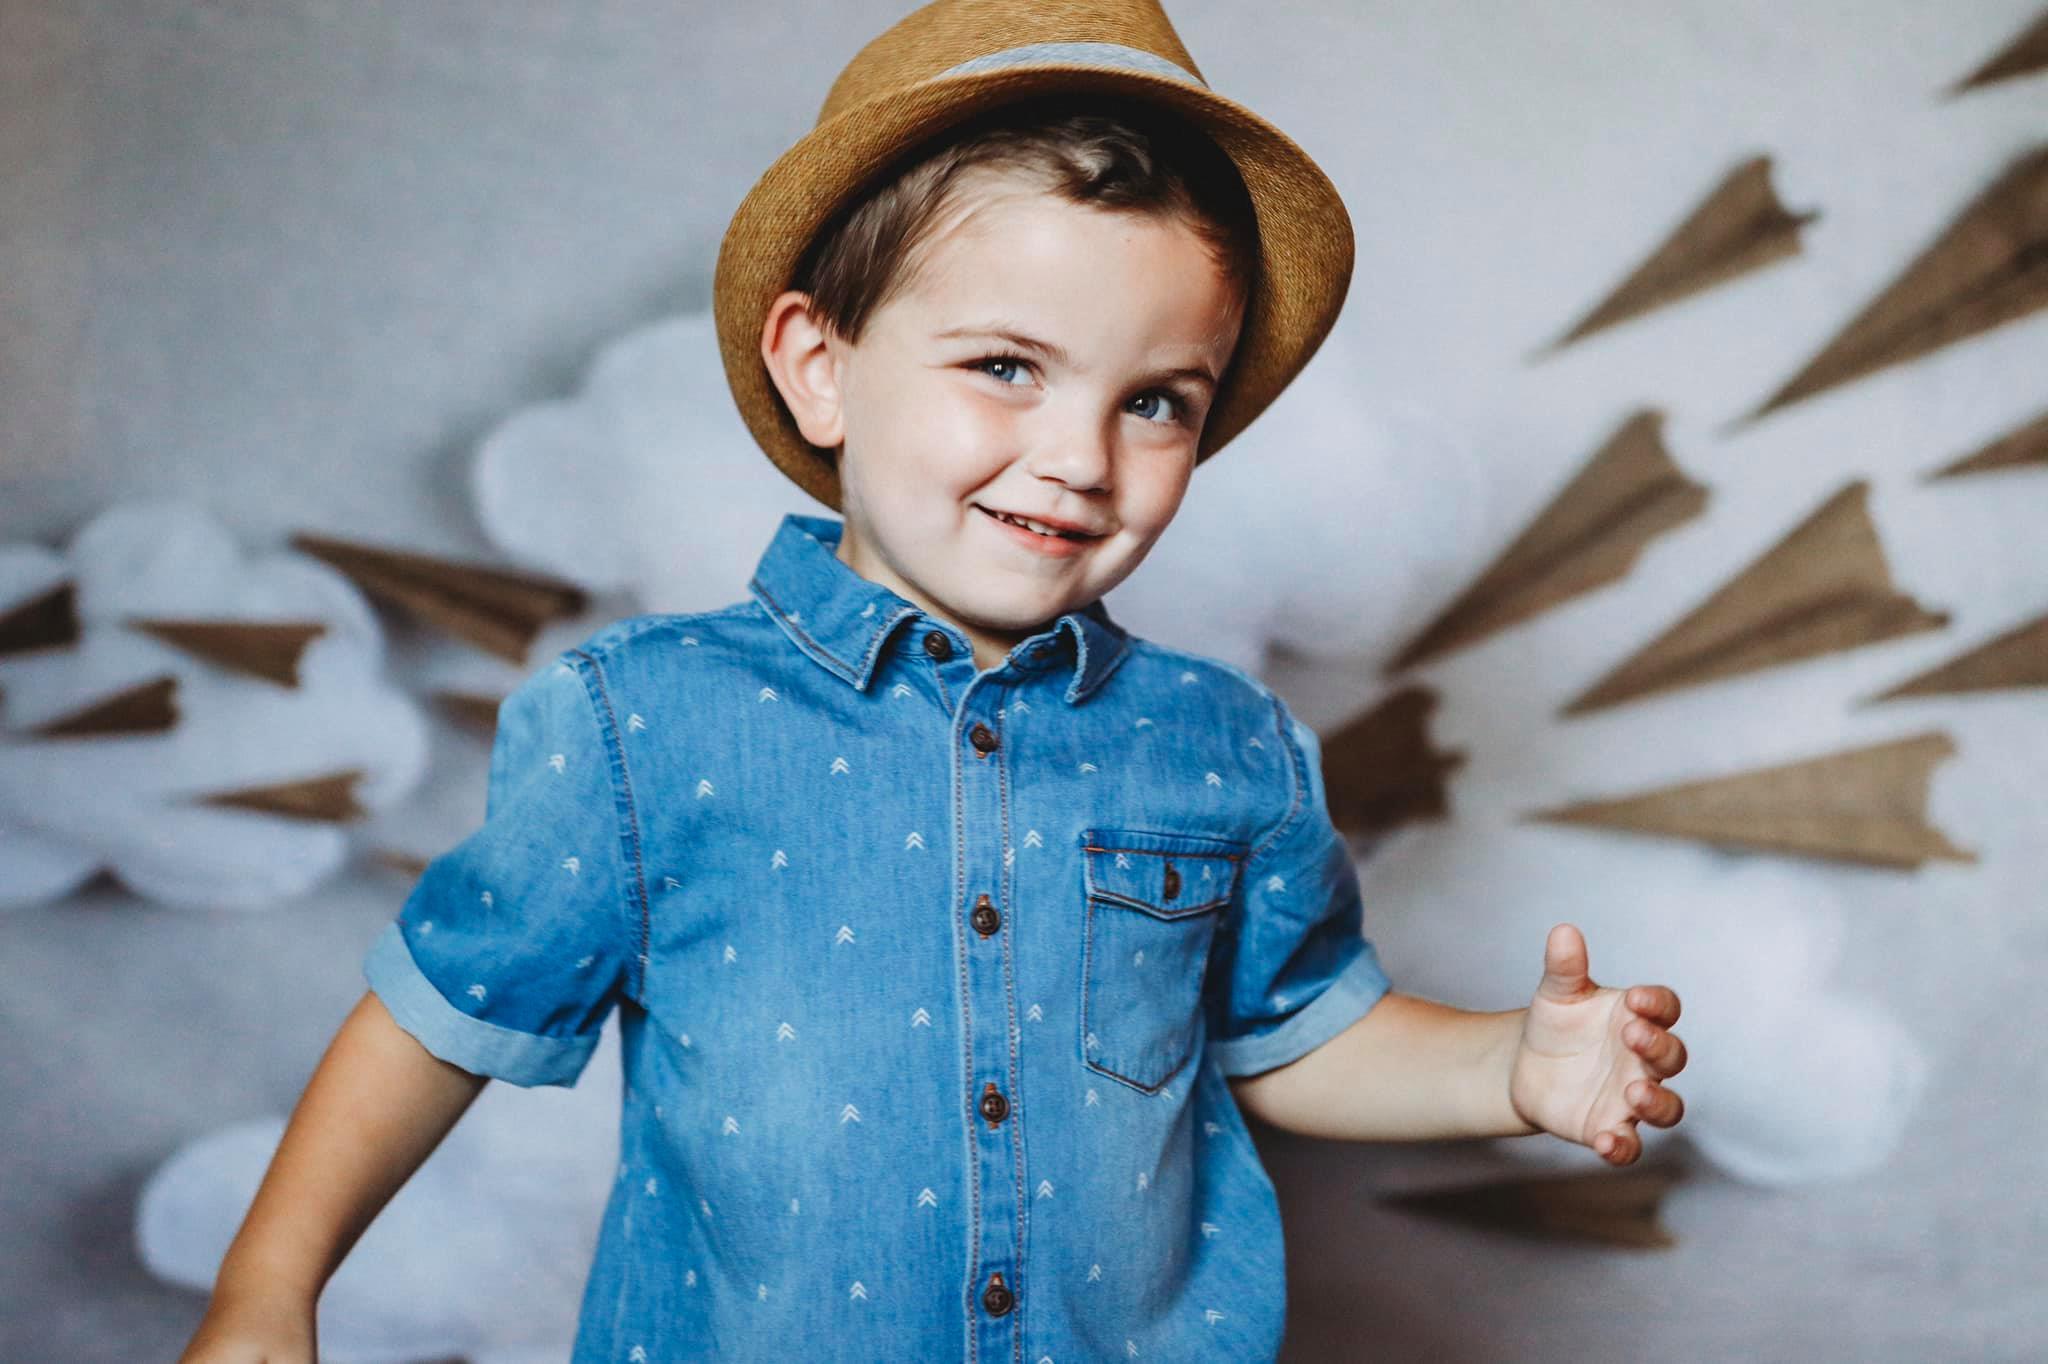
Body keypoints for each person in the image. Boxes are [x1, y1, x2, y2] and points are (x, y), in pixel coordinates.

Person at [182, 2, 1688, 1360]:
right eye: (1005, 367)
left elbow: (1300, 1037)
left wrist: (1511, 1065)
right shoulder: (647, 727)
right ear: (820, 365)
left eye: (1156, 400)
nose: (1080, 459)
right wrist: (270, 1285)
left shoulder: (1226, 748)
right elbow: (441, 1010)